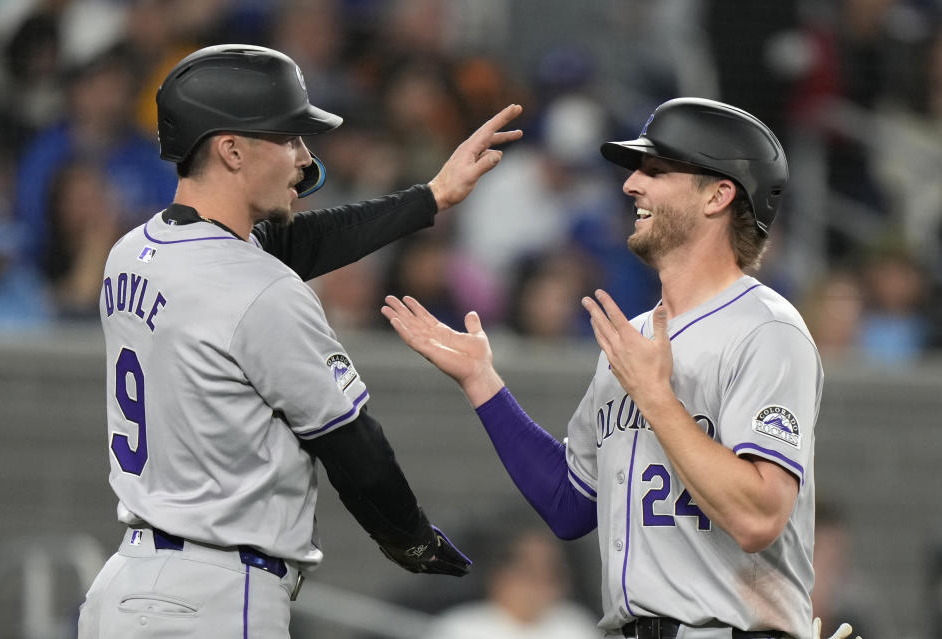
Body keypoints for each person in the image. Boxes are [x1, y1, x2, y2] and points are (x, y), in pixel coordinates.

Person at [77, 43, 523, 639]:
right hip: (214, 597)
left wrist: (431, 196)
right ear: (232, 149)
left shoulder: (131, 251)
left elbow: (284, 246)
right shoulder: (262, 292)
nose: (305, 158)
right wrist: (411, 540)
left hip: (126, 588)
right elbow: (355, 451)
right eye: (289, 138)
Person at [383, 98, 823, 638]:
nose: (631, 184)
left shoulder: (766, 330)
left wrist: (656, 398)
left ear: (719, 194)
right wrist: (483, 383)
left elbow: (759, 518)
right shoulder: (635, 336)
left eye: (657, 170)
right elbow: (571, 507)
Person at [425, 522, 602, 639]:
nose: (542, 581)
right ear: (499, 575)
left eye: (551, 570)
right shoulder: (458, 630)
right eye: (529, 571)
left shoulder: (575, 626)